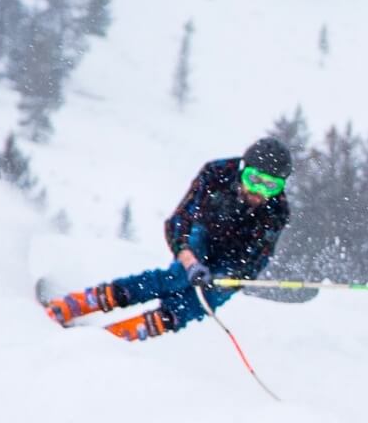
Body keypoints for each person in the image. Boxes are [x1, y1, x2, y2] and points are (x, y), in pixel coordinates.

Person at [44, 137, 294, 341]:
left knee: (195, 303)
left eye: (270, 186)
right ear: (242, 170)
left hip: (232, 260)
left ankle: (116, 337)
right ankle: (77, 303)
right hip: (202, 236)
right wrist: (189, 261)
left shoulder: (277, 211)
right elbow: (179, 221)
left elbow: (255, 261)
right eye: (254, 180)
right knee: (177, 278)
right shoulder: (217, 174)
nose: (258, 192)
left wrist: (225, 280)